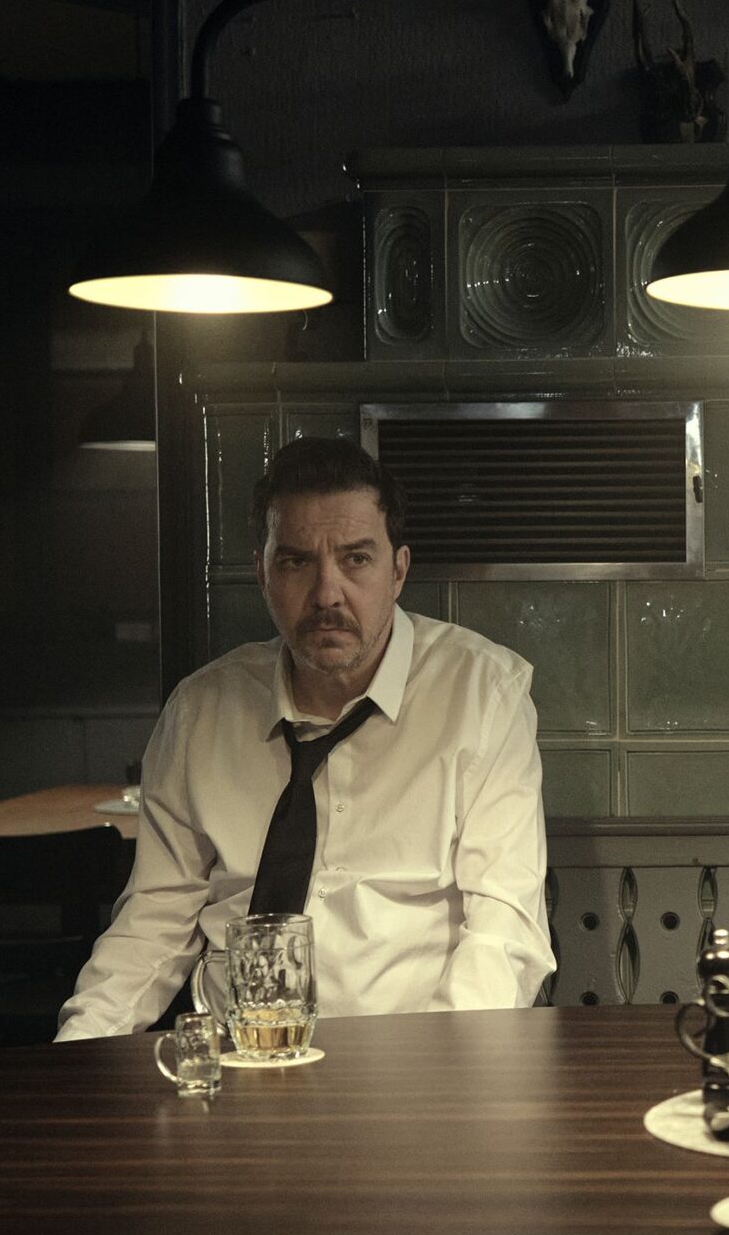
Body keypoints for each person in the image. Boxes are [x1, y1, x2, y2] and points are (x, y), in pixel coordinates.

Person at [59, 437, 553, 1038]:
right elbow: (153, 923)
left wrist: (435, 1074)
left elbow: (504, 927)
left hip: (411, 1051)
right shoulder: (200, 710)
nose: (326, 594)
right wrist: (77, 1051)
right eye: (296, 562)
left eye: (356, 559)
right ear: (263, 574)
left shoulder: (484, 693)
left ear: (398, 571)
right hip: (237, 1054)